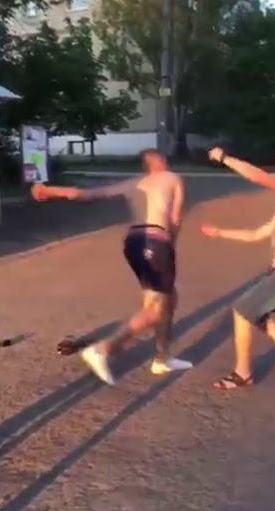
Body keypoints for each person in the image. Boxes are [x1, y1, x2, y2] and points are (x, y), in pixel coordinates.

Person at [30, 150, 192, 384]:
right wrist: (169, 248)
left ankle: (162, 357)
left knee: (168, 297)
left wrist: (48, 191)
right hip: (155, 241)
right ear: (161, 161)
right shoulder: (172, 178)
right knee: (157, 308)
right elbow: (176, 219)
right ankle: (102, 350)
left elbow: (84, 194)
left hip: (134, 242)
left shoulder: (134, 183)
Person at [198, 148, 275, 389]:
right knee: (256, 312)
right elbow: (256, 234)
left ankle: (242, 374)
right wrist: (220, 233)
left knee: (242, 309)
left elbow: (258, 177)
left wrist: (224, 158)